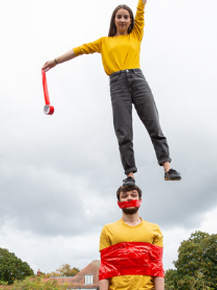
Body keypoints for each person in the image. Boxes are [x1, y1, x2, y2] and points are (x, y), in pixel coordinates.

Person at [42, 0, 181, 186]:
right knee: (123, 131)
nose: (123, 19)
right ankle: (130, 175)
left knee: (153, 124)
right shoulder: (104, 42)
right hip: (117, 85)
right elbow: (79, 50)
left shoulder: (136, 35)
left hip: (138, 80)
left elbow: (141, 8)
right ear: (114, 20)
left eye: (126, 17)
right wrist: (55, 61)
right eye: (119, 16)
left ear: (131, 20)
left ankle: (167, 168)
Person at [99, 185, 164, 290]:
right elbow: (105, 269)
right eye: (124, 196)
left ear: (140, 200)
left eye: (133, 195)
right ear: (118, 203)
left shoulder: (154, 230)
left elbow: (157, 268)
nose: (129, 198)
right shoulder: (108, 230)